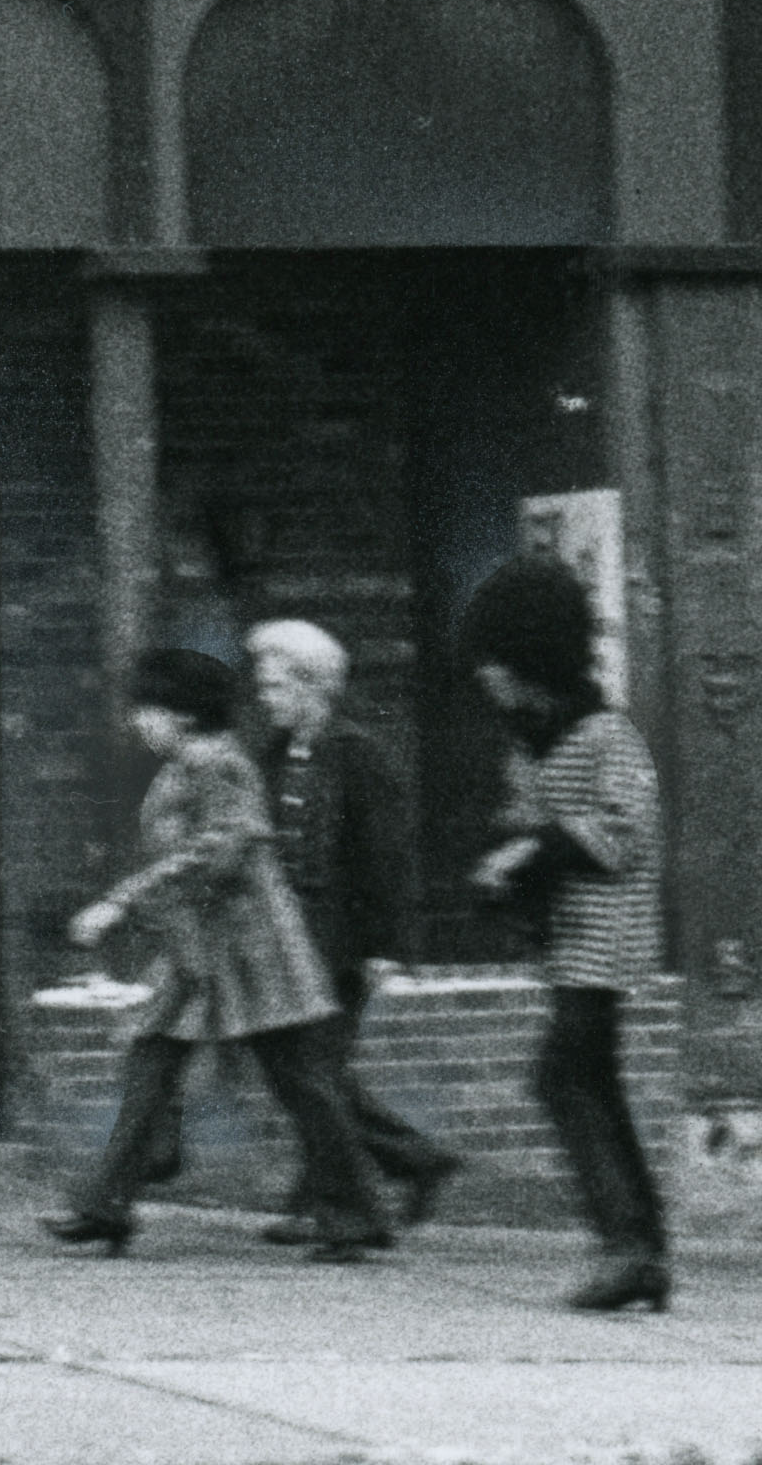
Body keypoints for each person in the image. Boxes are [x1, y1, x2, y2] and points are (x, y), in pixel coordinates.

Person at [50, 646, 396, 1260]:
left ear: (182, 714)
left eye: (148, 709)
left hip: (249, 949)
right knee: (152, 1062)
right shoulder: (187, 763)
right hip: (201, 949)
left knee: (302, 1083)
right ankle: (108, 1203)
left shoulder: (217, 763)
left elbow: (223, 847)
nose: (139, 722)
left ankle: (355, 1215)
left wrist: (122, 902)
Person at [455, 553, 668, 1315]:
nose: (487, 679)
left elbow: (626, 827)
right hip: (569, 939)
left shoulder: (606, 733)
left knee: (562, 1078)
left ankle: (628, 1245)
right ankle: (640, 1242)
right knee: (591, 1082)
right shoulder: (534, 741)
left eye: (496, 663)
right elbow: (530, 829)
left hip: (603, 938)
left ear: (529, 659)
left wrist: (535, 851)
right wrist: (508, 870)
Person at [244, 618, 464, 1243]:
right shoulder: (276, 753)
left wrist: (388, 948)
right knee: (313, 1073)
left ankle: (344, 1200)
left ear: (312, 686)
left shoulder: (359, 754)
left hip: (341, 944)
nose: (266, 697)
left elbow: (387, 859)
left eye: (277, 685)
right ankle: (410, 1163)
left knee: (313, 1070)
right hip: (289, 940)